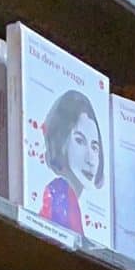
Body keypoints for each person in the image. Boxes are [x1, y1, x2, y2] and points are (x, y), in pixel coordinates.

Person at [38, 89, 104, 235]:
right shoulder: (59, 192)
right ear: (62, 141)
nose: (91, 159)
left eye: (95, 147)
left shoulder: (72, 200)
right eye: (80, 141)